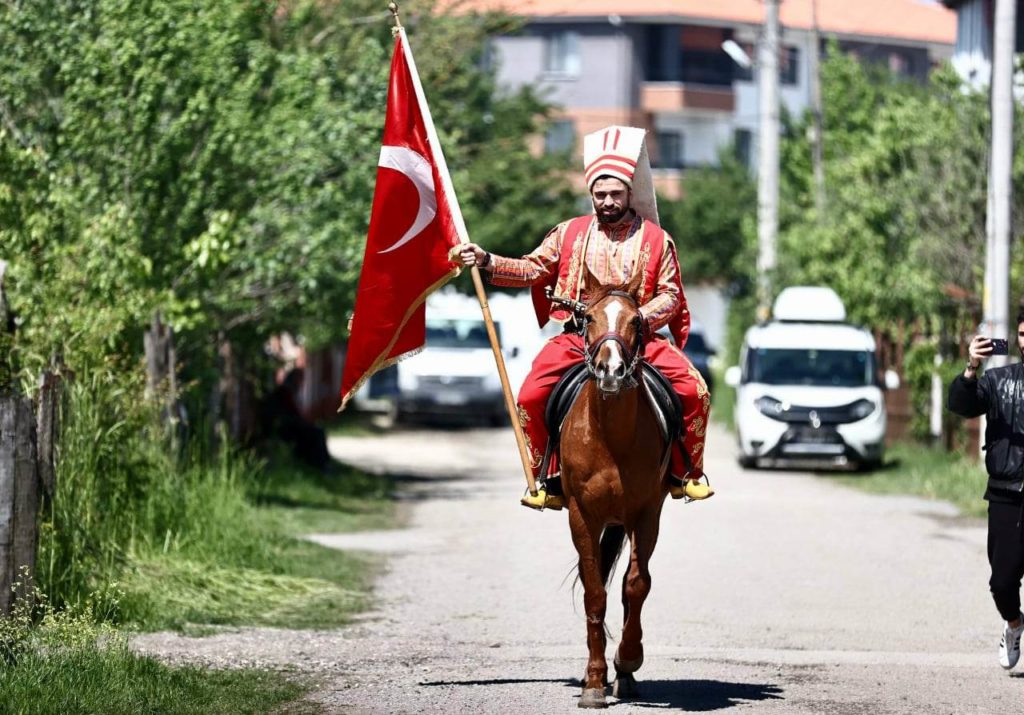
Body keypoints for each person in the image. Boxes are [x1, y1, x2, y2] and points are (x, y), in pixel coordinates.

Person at [456, 125, 712, 510]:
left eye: (615, 193)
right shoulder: (568, 233)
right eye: (600, 194)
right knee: (530, 396)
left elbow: (672, 295)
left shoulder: (658, 239)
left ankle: (684, 473)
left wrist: (638, 318)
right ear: (591, 194)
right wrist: (487, 260)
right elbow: (531, 268)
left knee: (696, 392)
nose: (608, 201)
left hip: (637, 340)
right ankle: (548, 477)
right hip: (578, 338)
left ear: (629, 193)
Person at [948, 314, 1024, 670]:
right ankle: (1013, 624)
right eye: (1023, 334)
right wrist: (971, 368)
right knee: (1002, 582)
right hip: (1006, 493)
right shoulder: (998, 381)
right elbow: (961, 406)